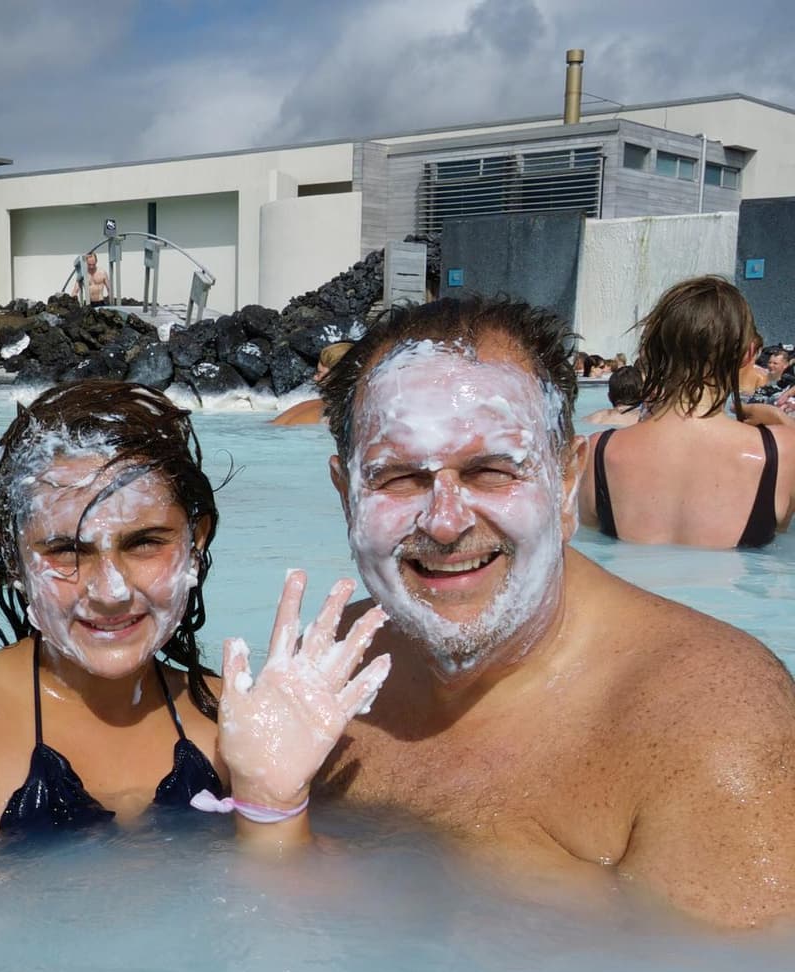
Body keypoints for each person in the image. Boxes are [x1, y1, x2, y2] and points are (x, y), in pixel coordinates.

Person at [318, 294, 795, 927]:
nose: (446, 521)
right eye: (398, 477)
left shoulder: (713, 726)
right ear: (346, 495)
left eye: (491, 471)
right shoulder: (334, 667)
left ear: (566, 483)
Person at [0, 380, 390, 843]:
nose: (110, 591)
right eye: (65, 550)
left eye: (144, 542)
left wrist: (274, 805)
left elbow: (289, 909)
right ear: (13, 555)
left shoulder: (237, 723)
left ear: (194, 541)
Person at [579, 276, 795, 548]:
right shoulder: (780, 454)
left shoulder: (598, 452)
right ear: (749, 354)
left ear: (652, 350)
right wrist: (780, 419)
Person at [271, 342, 354, 427]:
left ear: (337, 376)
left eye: (319, 373)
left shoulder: (306, 405)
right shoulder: (337, 416)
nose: (315, 378)